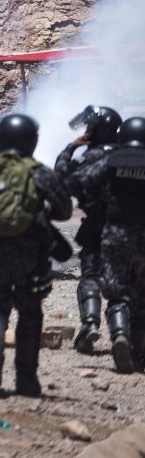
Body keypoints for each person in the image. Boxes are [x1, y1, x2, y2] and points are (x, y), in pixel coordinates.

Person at [0, 113, 72, 396]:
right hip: (30, 250)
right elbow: (64, 211)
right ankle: (26, 379)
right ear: (31, 141)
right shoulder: (38, 172)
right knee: (29, 311)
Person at [68, 115, 145, 373]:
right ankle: (138, 352)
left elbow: (77, 181)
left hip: (116, 233)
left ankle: (119, 336)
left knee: (116, 292)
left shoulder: (111, 161)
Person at [54, 105, 121, 353]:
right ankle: (121, 334)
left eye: (91, 128)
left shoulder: (89, 157)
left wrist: (70, 148)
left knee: (90, 276)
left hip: (95, 226)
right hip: (127, 228)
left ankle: (90, 324)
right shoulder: (127, 154)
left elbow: (62, 177)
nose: (87, 131)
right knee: (120, 284)